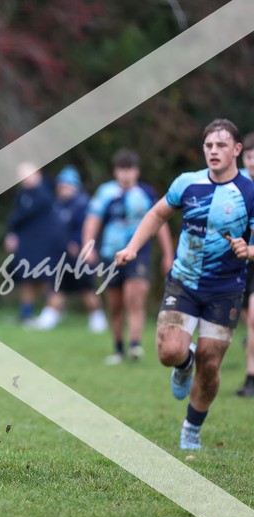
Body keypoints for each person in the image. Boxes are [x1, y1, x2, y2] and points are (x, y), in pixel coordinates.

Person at [115, 119, 254, 450]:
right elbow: (157, 214)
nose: (214, 151)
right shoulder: (187, 184)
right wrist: (133, 247)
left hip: (225, 290)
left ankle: (192, 427)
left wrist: (248, 250)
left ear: (237, 150)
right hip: (184, 283)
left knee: (210, 362)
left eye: (221, 145)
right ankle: (183, 362)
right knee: (169, 352)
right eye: (208, 146)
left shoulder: (250, 192)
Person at [83, 148, 174, 365]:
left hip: (138, 254)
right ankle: (118, 348)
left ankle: (135, 344)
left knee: (134, 298)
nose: (125, 174)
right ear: (115, 171)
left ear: (137, 171)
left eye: (129, 169)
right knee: (115, 304)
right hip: (110, 254)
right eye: (121, 169)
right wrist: (88, 246)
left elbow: (160, 223)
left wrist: (168, 254)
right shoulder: (106, 193)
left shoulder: (146, 193)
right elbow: (92, 219)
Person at [33, 165, 107, 332]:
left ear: (75, 186)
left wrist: (78, 243)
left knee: (87, 288)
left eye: (67, 185)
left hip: (80, 254)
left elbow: (87, 227)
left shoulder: (83, 204)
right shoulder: (58, 205)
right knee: (57, 287)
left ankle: (98, 319)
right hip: (60, 254)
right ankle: (49, 317)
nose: (63, 188)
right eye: (61, 185)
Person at [4, 162, 57, 325]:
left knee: (43, 277)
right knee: (26, 277)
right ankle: (26, 314)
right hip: (26, 243)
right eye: (22, 176)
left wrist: (12, 222)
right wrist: (12, 234)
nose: (25, 179)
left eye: (28, 175)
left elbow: (21, 216)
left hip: (42, 243)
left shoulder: (44, 193)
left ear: (38, 173)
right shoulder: (23, 194)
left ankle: (52, 313)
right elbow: (16, 217)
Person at [236, 133, 254, 397]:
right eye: (250, 157)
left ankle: (251, 377)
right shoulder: (235, 182)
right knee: (246, 317)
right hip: (238, 260)